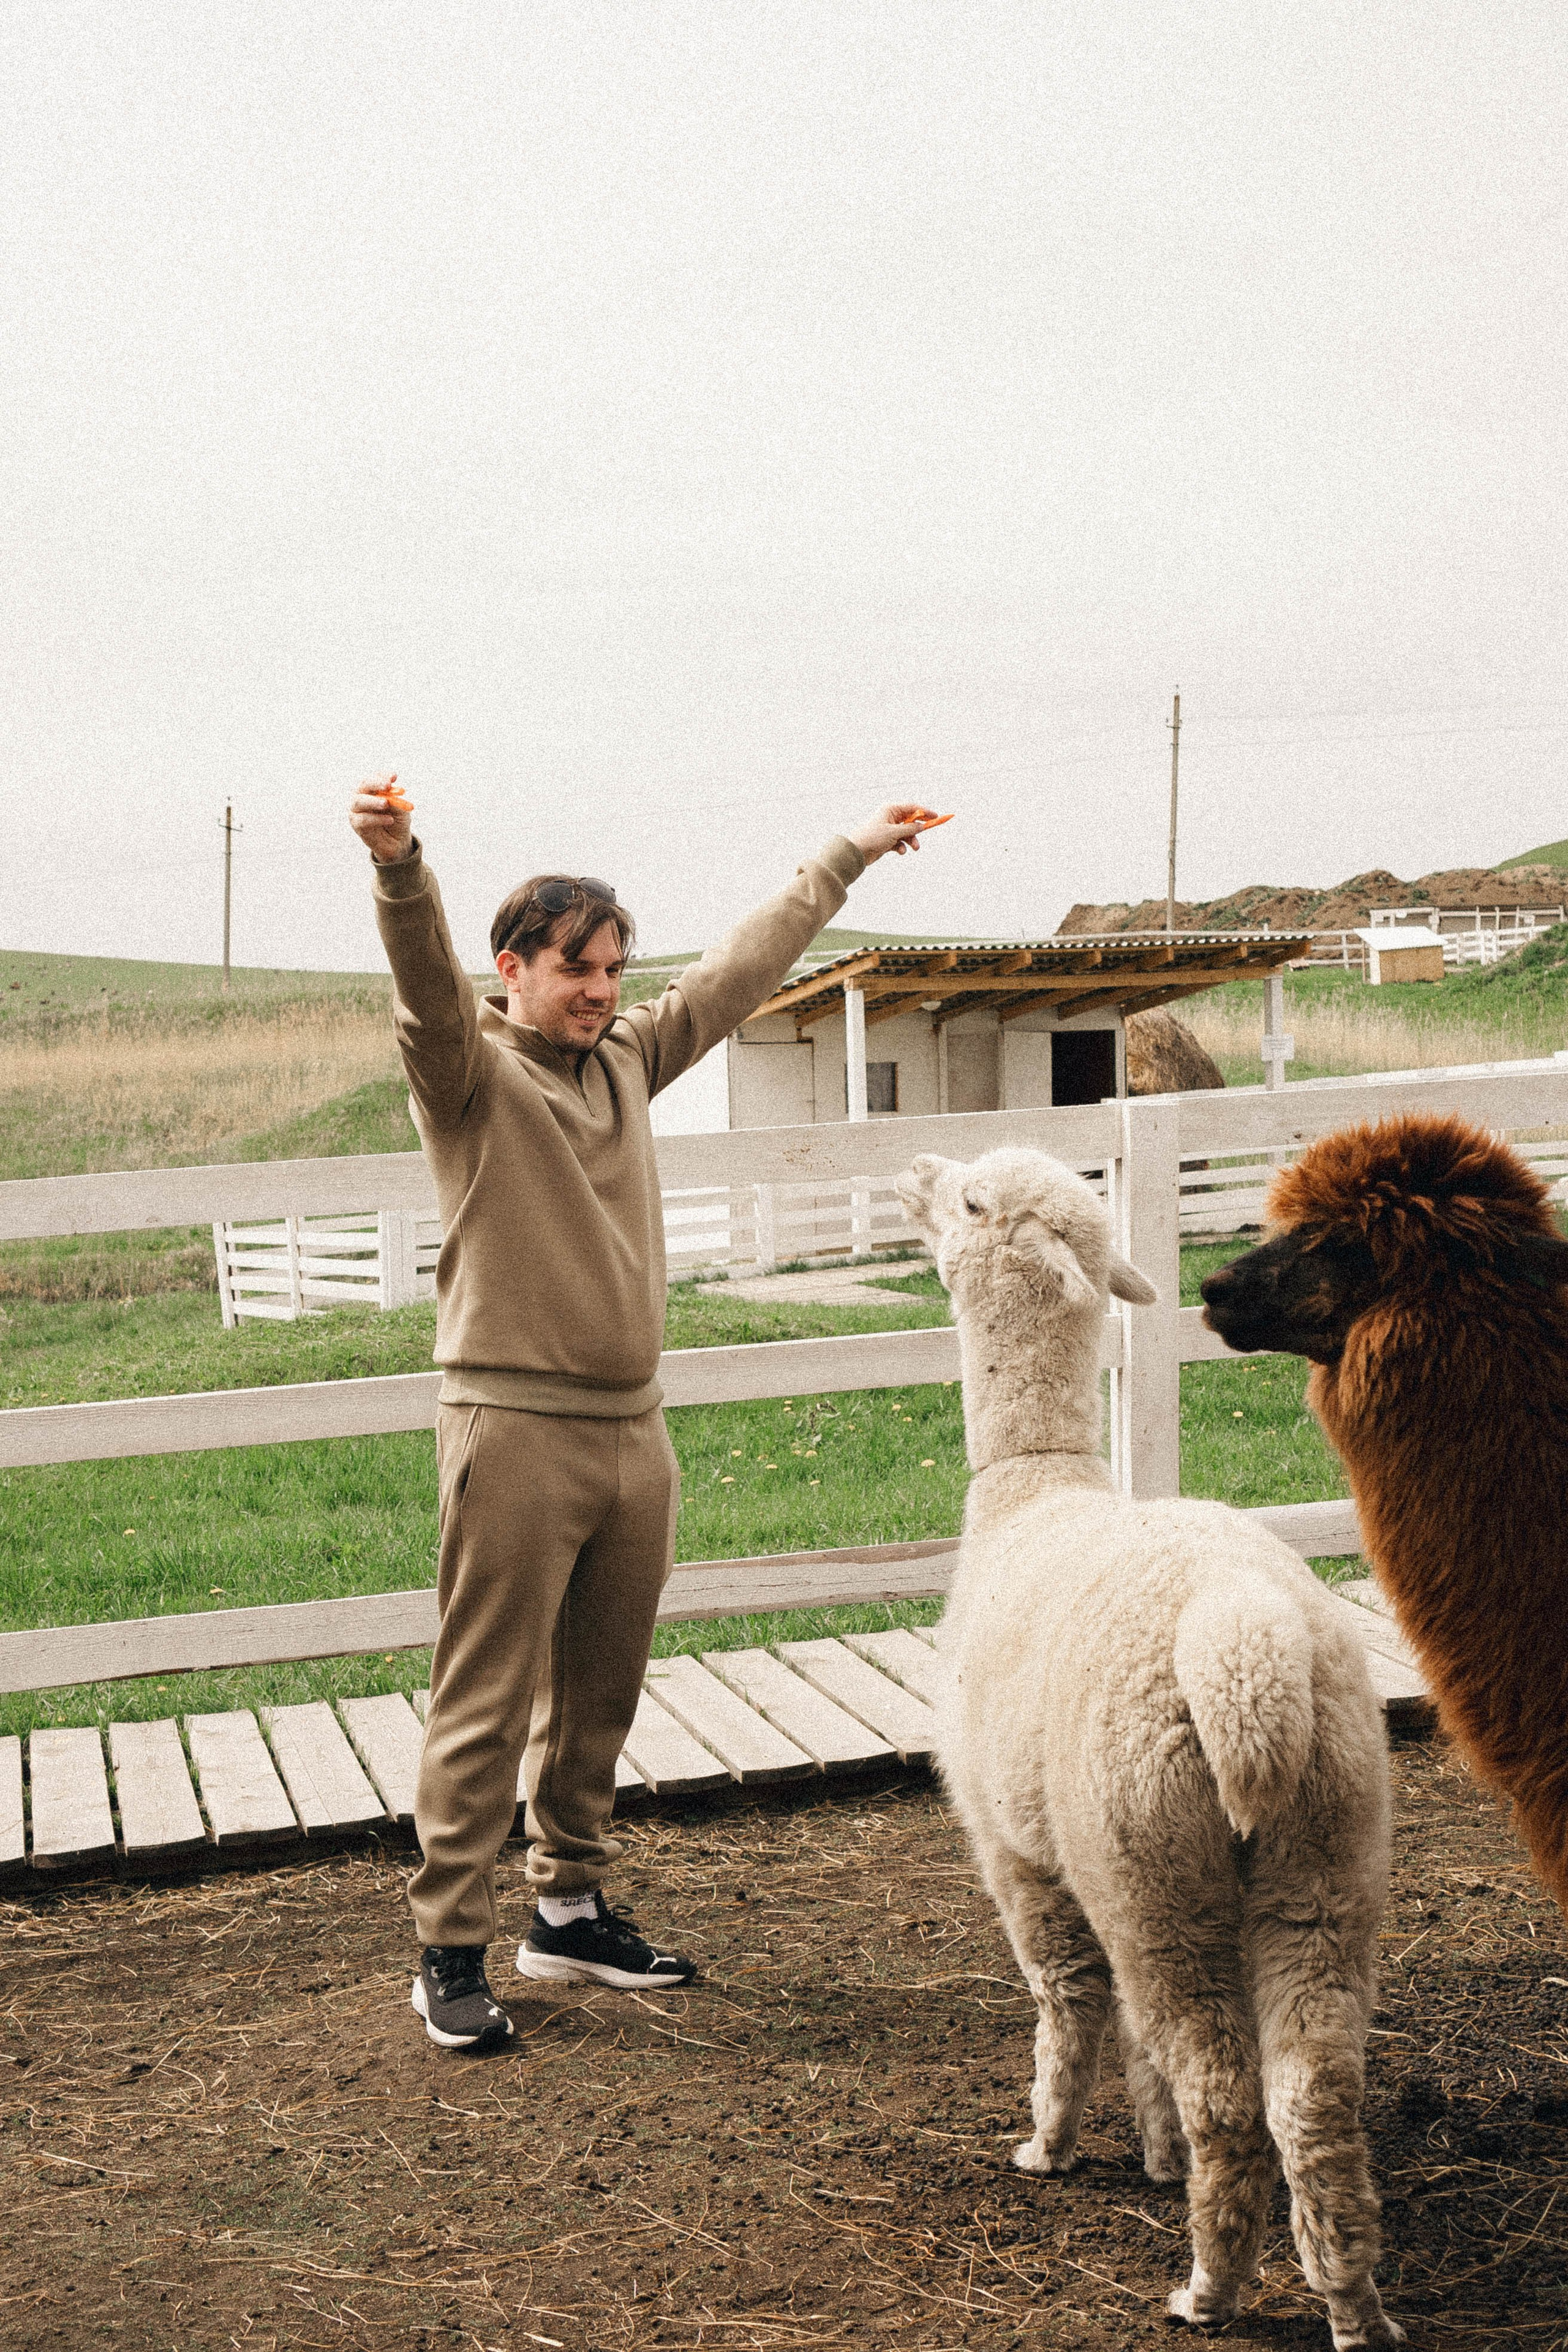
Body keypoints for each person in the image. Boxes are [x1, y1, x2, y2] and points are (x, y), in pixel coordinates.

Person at [349, 778, 942, 2051]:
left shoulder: (627, 1058)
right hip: (510, 1429)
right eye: (577, 970)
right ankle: (446, 1949)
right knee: (484, 1699)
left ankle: (565, 1910)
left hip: (635, 1428)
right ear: (511, 969)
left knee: (600, 1695)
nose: (602, 991)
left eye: (615, 969)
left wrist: (844, 857)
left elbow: (734, 974)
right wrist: (403, 869)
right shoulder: (466, 1075)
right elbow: (421, 988)